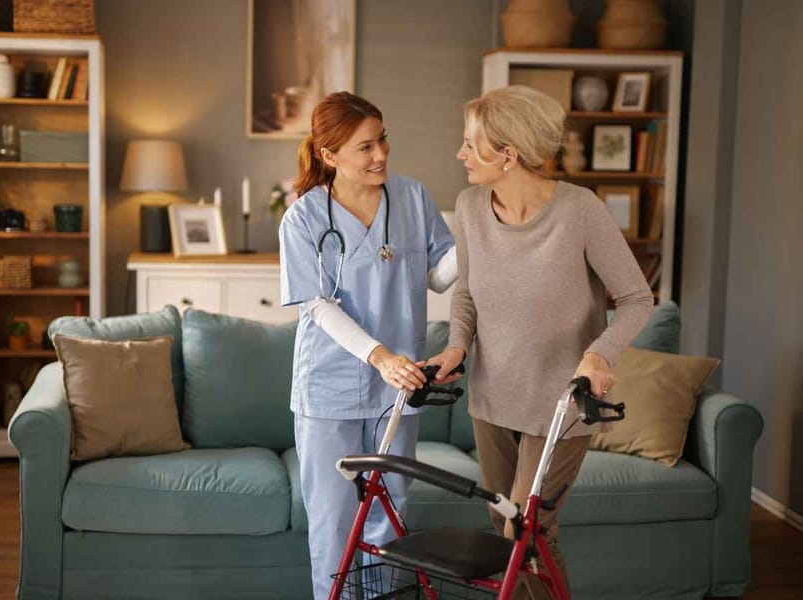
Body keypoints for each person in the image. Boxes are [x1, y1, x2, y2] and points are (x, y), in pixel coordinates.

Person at [428, 86, 654, 598]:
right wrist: (458, 346)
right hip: (491, 398)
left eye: (470, 144)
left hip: (561, 402)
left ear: (507, 154)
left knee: (527, 530)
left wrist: (600, 353)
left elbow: (638, 299)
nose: (460, 154)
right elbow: (466, 290)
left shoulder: (580, 212)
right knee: (507, 527)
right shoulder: (469, 206)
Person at [279, 91, 457, 599]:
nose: (380, 154)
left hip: (398, 389)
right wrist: (379, 357)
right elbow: (316, 304)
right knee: (335, 524)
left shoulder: (413, 197)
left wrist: (482, 233)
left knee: (389, 516)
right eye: (365, 147)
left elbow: (441, 276)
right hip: (330, 386)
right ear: (328, 155)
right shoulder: (304, 218)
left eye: (383, 140)